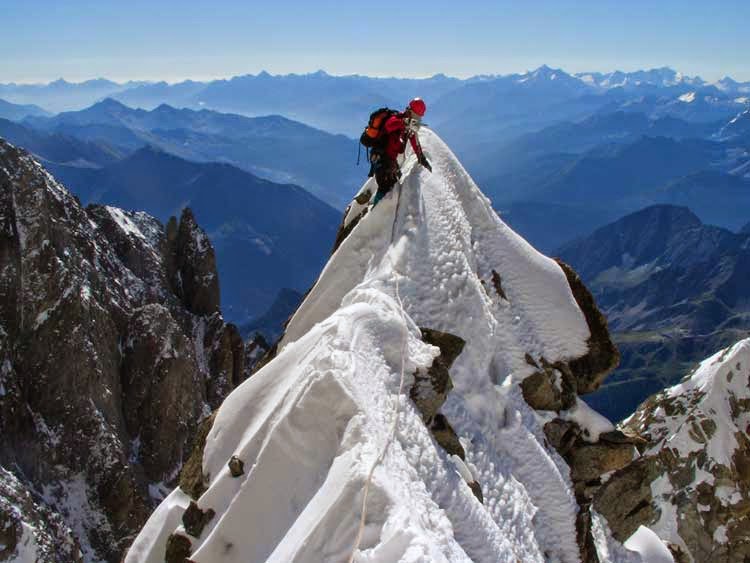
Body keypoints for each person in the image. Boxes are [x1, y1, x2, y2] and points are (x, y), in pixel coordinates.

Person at [369, 98, 432, 206]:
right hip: (382, 159)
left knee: (391, 186)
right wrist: (404, 122)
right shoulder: (397, 119)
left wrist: (421, 157)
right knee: (385, 188)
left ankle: (376, 210)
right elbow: (389, 126)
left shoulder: (407, 126)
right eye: (416, 116)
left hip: (389, 160)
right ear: (410, 112)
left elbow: (414, 141)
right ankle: (374, 217)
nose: (417, 119)